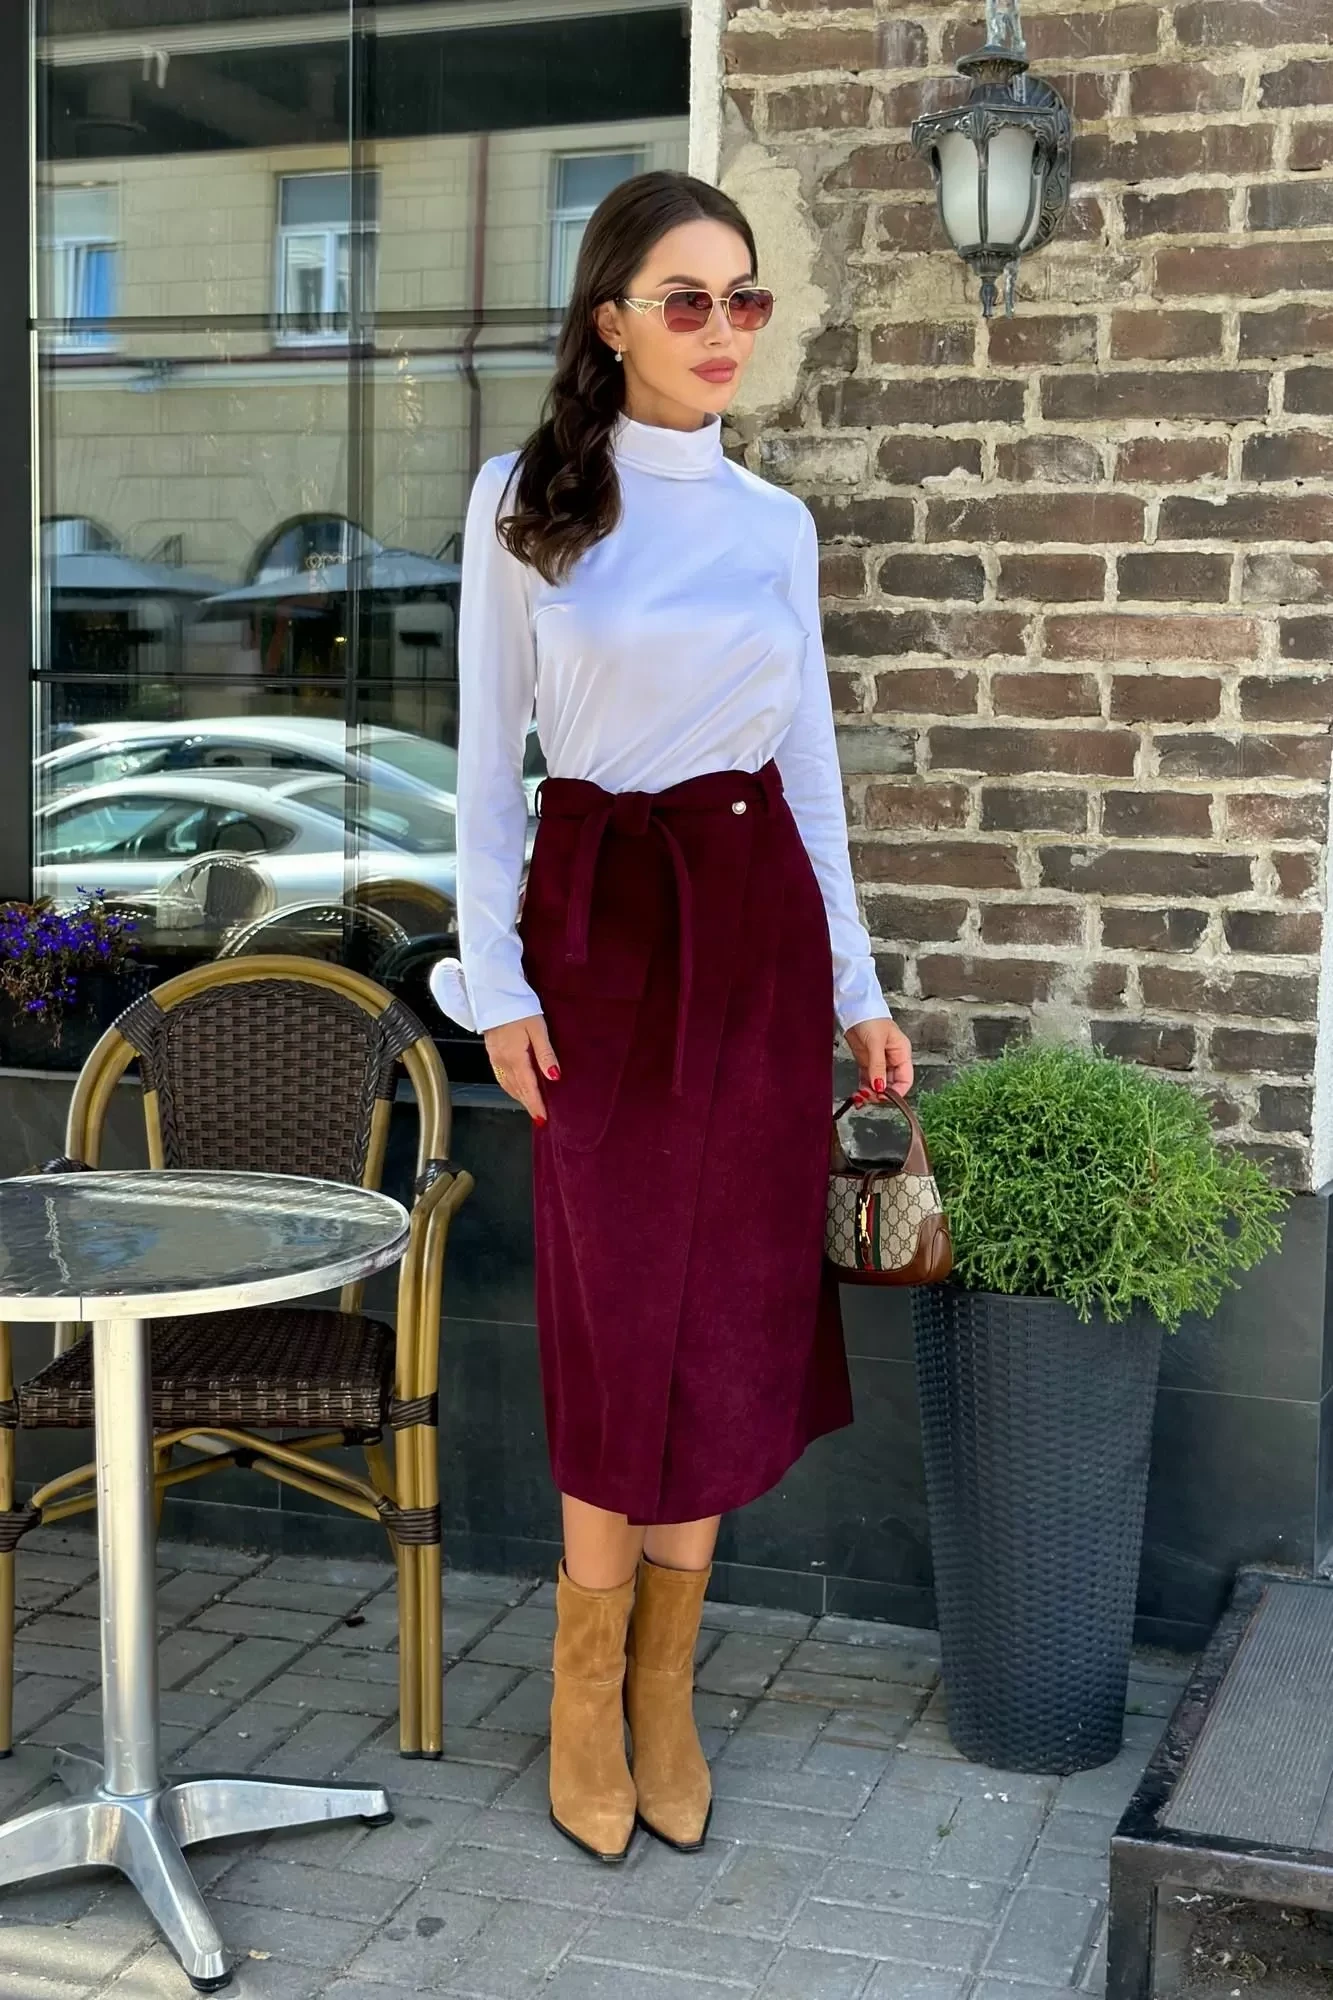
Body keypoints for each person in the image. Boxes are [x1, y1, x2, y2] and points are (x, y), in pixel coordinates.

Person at [431, 169, 914, 1864]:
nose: (724, 329)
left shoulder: (776, 527)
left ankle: (663, 1689)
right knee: (616, 1302)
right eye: (688, 298)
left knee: (729, 1310)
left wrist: (857, 990)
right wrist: (495, 983)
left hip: (757, 929)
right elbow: (486, 768)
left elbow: (811, 778)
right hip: (599, 929)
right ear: (611, 317)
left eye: (745, 298)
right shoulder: (525, 504)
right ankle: (582, 1692)